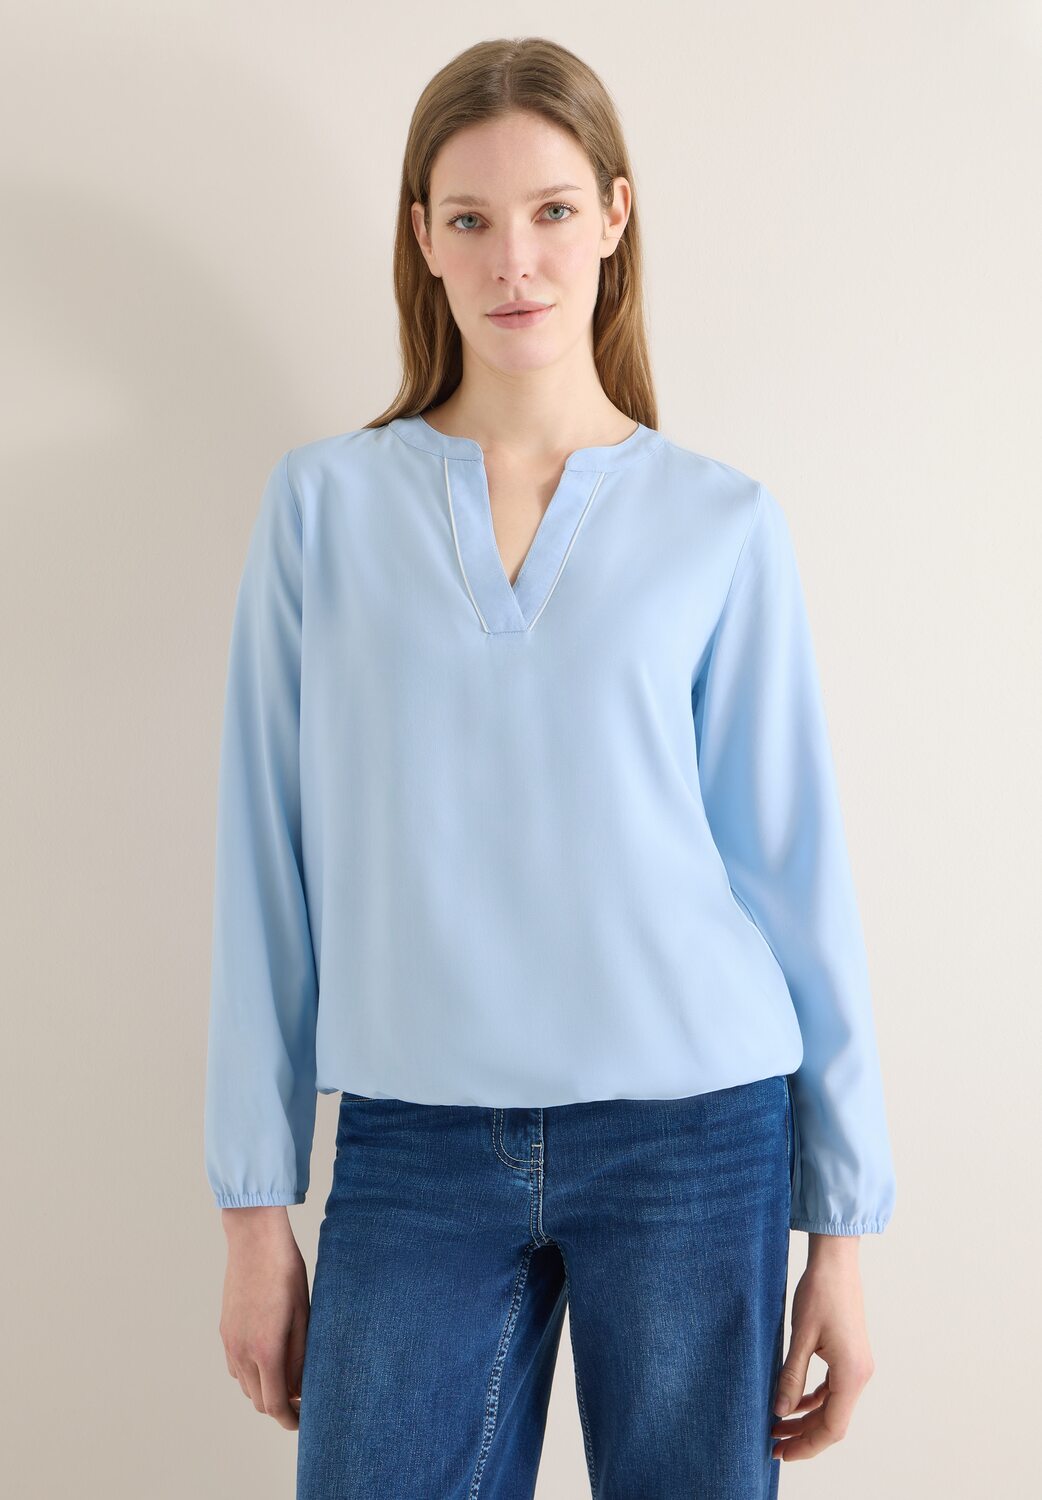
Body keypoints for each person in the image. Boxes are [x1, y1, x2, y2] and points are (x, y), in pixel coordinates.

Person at [204, 36, 896, 1500]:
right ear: (421, 238)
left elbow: (793, 875)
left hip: (696, 1136)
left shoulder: (721, 523)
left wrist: (840, 1232)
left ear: (615, 218)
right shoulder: (322, 509)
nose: (513, 259)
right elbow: (263, 866)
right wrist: (253, 1207)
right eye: (470, 218)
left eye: (552, 211)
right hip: (413, 1143)